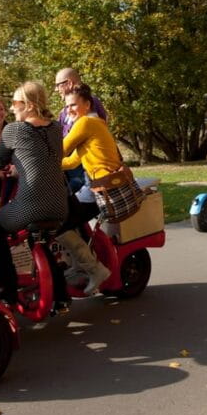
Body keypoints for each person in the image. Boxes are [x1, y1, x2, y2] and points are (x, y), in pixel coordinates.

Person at [0, 81, 73, 304]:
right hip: (59, 204)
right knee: (40, 240)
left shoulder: (14, 129)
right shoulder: (55, 128)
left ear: (29, 105)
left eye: (15, 103)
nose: (12, 108)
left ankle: (8, 287)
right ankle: (61, 294)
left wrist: (2, 169)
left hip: (32, 203)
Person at [61, 84, 139, 292]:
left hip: (99, 189)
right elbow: (70, 161)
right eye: (67, 106)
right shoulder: (95, 124)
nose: (69, 110)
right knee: (69, 218)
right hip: (100, 186)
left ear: (86, 105)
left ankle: (94, 269)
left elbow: (61, 149)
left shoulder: (85, 123)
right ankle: (82, 266)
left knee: (59, 222)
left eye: (73, 105)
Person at [55, 68, 108, 193]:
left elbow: (83, 136)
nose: (56, 89)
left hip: (86, 169)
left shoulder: (88, 104)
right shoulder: (66, 110)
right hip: (72, 163)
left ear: (68, 83)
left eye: (58, 85)